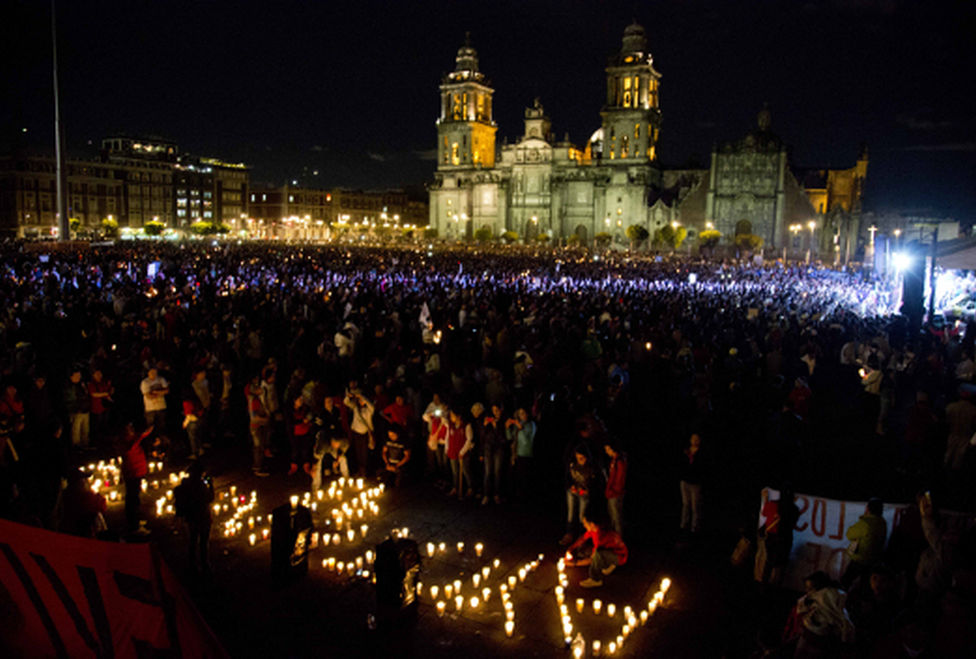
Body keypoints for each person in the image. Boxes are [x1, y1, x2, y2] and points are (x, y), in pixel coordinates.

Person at [564, 510, 628, 589]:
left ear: (592, 524)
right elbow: (583, 538)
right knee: (587, 551)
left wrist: (574, 564)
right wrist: (571, 548)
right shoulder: (595, 529)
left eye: (585, 523)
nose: (584, 525)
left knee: (597, 554)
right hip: (610, 550)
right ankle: (607, 564)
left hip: (619, 557)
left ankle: (596, 579)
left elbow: (592, 559)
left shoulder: (601, 536)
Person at [174, 461, 215, 574]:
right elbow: (210, 498)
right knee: (203, 542)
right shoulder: (201, 486)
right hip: (203, 517)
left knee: (192, 540)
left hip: (191, 518)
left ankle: (192, 564)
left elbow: (179, 502)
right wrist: (211, 485)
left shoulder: (182, 487)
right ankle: (205, 563)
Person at [755, 485, 799, 586]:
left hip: (771, 537)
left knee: (769, 562)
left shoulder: (772, 504)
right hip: (785, 538)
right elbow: (793, 524)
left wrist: (766, 499)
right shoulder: (794, 509)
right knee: (782, 564)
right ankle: (778, 585)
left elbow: (764, 514)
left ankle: (764, 585)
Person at [841, 497, 887, 589]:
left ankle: (841, 600)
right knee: (865, 585)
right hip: (873, 559)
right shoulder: (882, 522)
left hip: (860, 559)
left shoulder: (865, 523)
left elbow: (849, 534)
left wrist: (864, 518)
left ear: (868, 509)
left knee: (845, 582)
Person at [561, 444, 598, 545]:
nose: (579, 460)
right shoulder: (572, 465)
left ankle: (582, 538)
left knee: (582, 516)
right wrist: (571, 486)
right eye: (577, 458)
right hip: (573, 492)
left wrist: (587, 490)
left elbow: (595, 483)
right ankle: (569, 534)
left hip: (584, 493)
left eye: (581, 458)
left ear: (586, 457)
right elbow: (567, 478)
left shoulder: (591, 468)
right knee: (571, 513)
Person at [120, 422, 152, 535]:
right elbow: (134, 443)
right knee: (132, 499)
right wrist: (142, 435)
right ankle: (134, 526)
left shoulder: (130, 439)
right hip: (133, 473)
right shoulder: (127, 443)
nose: (132, 430)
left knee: (134, 498)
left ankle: (135, 521)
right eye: (129, 428)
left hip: (135, 472)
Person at [344, 385, 375, 477]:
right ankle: (359, 471)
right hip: (355, 433)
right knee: (357, 453)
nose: (360, 402)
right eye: (359, 400)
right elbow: (346, 402)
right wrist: (348, 396)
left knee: (364, 454)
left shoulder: (368, 411)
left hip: (365, 433)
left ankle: (364, 472)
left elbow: (371, 406)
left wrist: (361, 396)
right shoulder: (355, 408)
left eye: (361, 400)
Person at [506, 407, 536, 499]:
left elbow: (526, 440)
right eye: (519, 414)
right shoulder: (519, 424)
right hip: (516, 453)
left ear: (527, 414)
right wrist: (507, 428)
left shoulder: (531, 424)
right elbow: (510, 437)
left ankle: (525, 497)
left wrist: (520, 428)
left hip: (526, 453)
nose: (521, 415)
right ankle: (516, 496)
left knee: (524, 477)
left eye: (523, 413)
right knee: (516, 477)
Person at [679, 432, 705, 535]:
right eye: (693, 439)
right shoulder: (686, 452)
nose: (694, 441)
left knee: (695, 507)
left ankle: (694, 528)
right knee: (685, 504)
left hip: (695, 483)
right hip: (685, 481)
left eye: (697, 439)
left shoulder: (701, 454)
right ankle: (683, 525)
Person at [481, 403, 507, 505]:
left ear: (501, 410)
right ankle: (486, 495)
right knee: (488, 472)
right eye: (493, 410)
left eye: (497, 410)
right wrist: (484, 425)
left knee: (498, 472)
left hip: (499, 449)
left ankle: (497, 494)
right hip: (488, 449)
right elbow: (482, 436)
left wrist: (496, 427)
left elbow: (504, 439)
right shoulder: (489, 421)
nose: (495, 413)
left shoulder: (504, 421)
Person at [246, 374, 271, 476]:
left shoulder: (255, 399)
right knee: (258, 447)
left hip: (258, 426)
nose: (261, 390)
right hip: (256, 427)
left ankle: (259, 465)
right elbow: (254, 417)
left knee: (259, 446)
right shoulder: (254, 401)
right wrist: (265, 419)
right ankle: (258, 467)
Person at [603, 439, 627, 537]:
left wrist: (613, 491)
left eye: (608, 449)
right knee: (612, 517)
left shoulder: (620, 462)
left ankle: (618, 541)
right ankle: (614, 539)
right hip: (611, 493)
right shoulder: (614, 460)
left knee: (616, 518)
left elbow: (620, 479)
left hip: (615, 494)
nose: (606, 451)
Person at [64, 368, 91, 450]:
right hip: (76, 412)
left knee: (85, 430)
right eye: (77, 375)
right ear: (72, 376)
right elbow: (70, 400)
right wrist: (76, 409)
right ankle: (76, 448)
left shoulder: (81, 385)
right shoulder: (69, 387)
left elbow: (86, 395)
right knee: (76, 432)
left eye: (79, 375)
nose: (79, 377)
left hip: (85, 410)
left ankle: (85, 446)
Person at [140, 368, 169, 435]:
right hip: (150, 408)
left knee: (162, 425)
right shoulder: (145, 382)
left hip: (161, 406)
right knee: (151, 426)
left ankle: (161, 439)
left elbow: (167, 390)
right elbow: (148, 395)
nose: (154, 374)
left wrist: (156, 392)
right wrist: (161, 392)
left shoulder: (161, 379)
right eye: (152, 372)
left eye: (155, 372)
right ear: (148, 373)